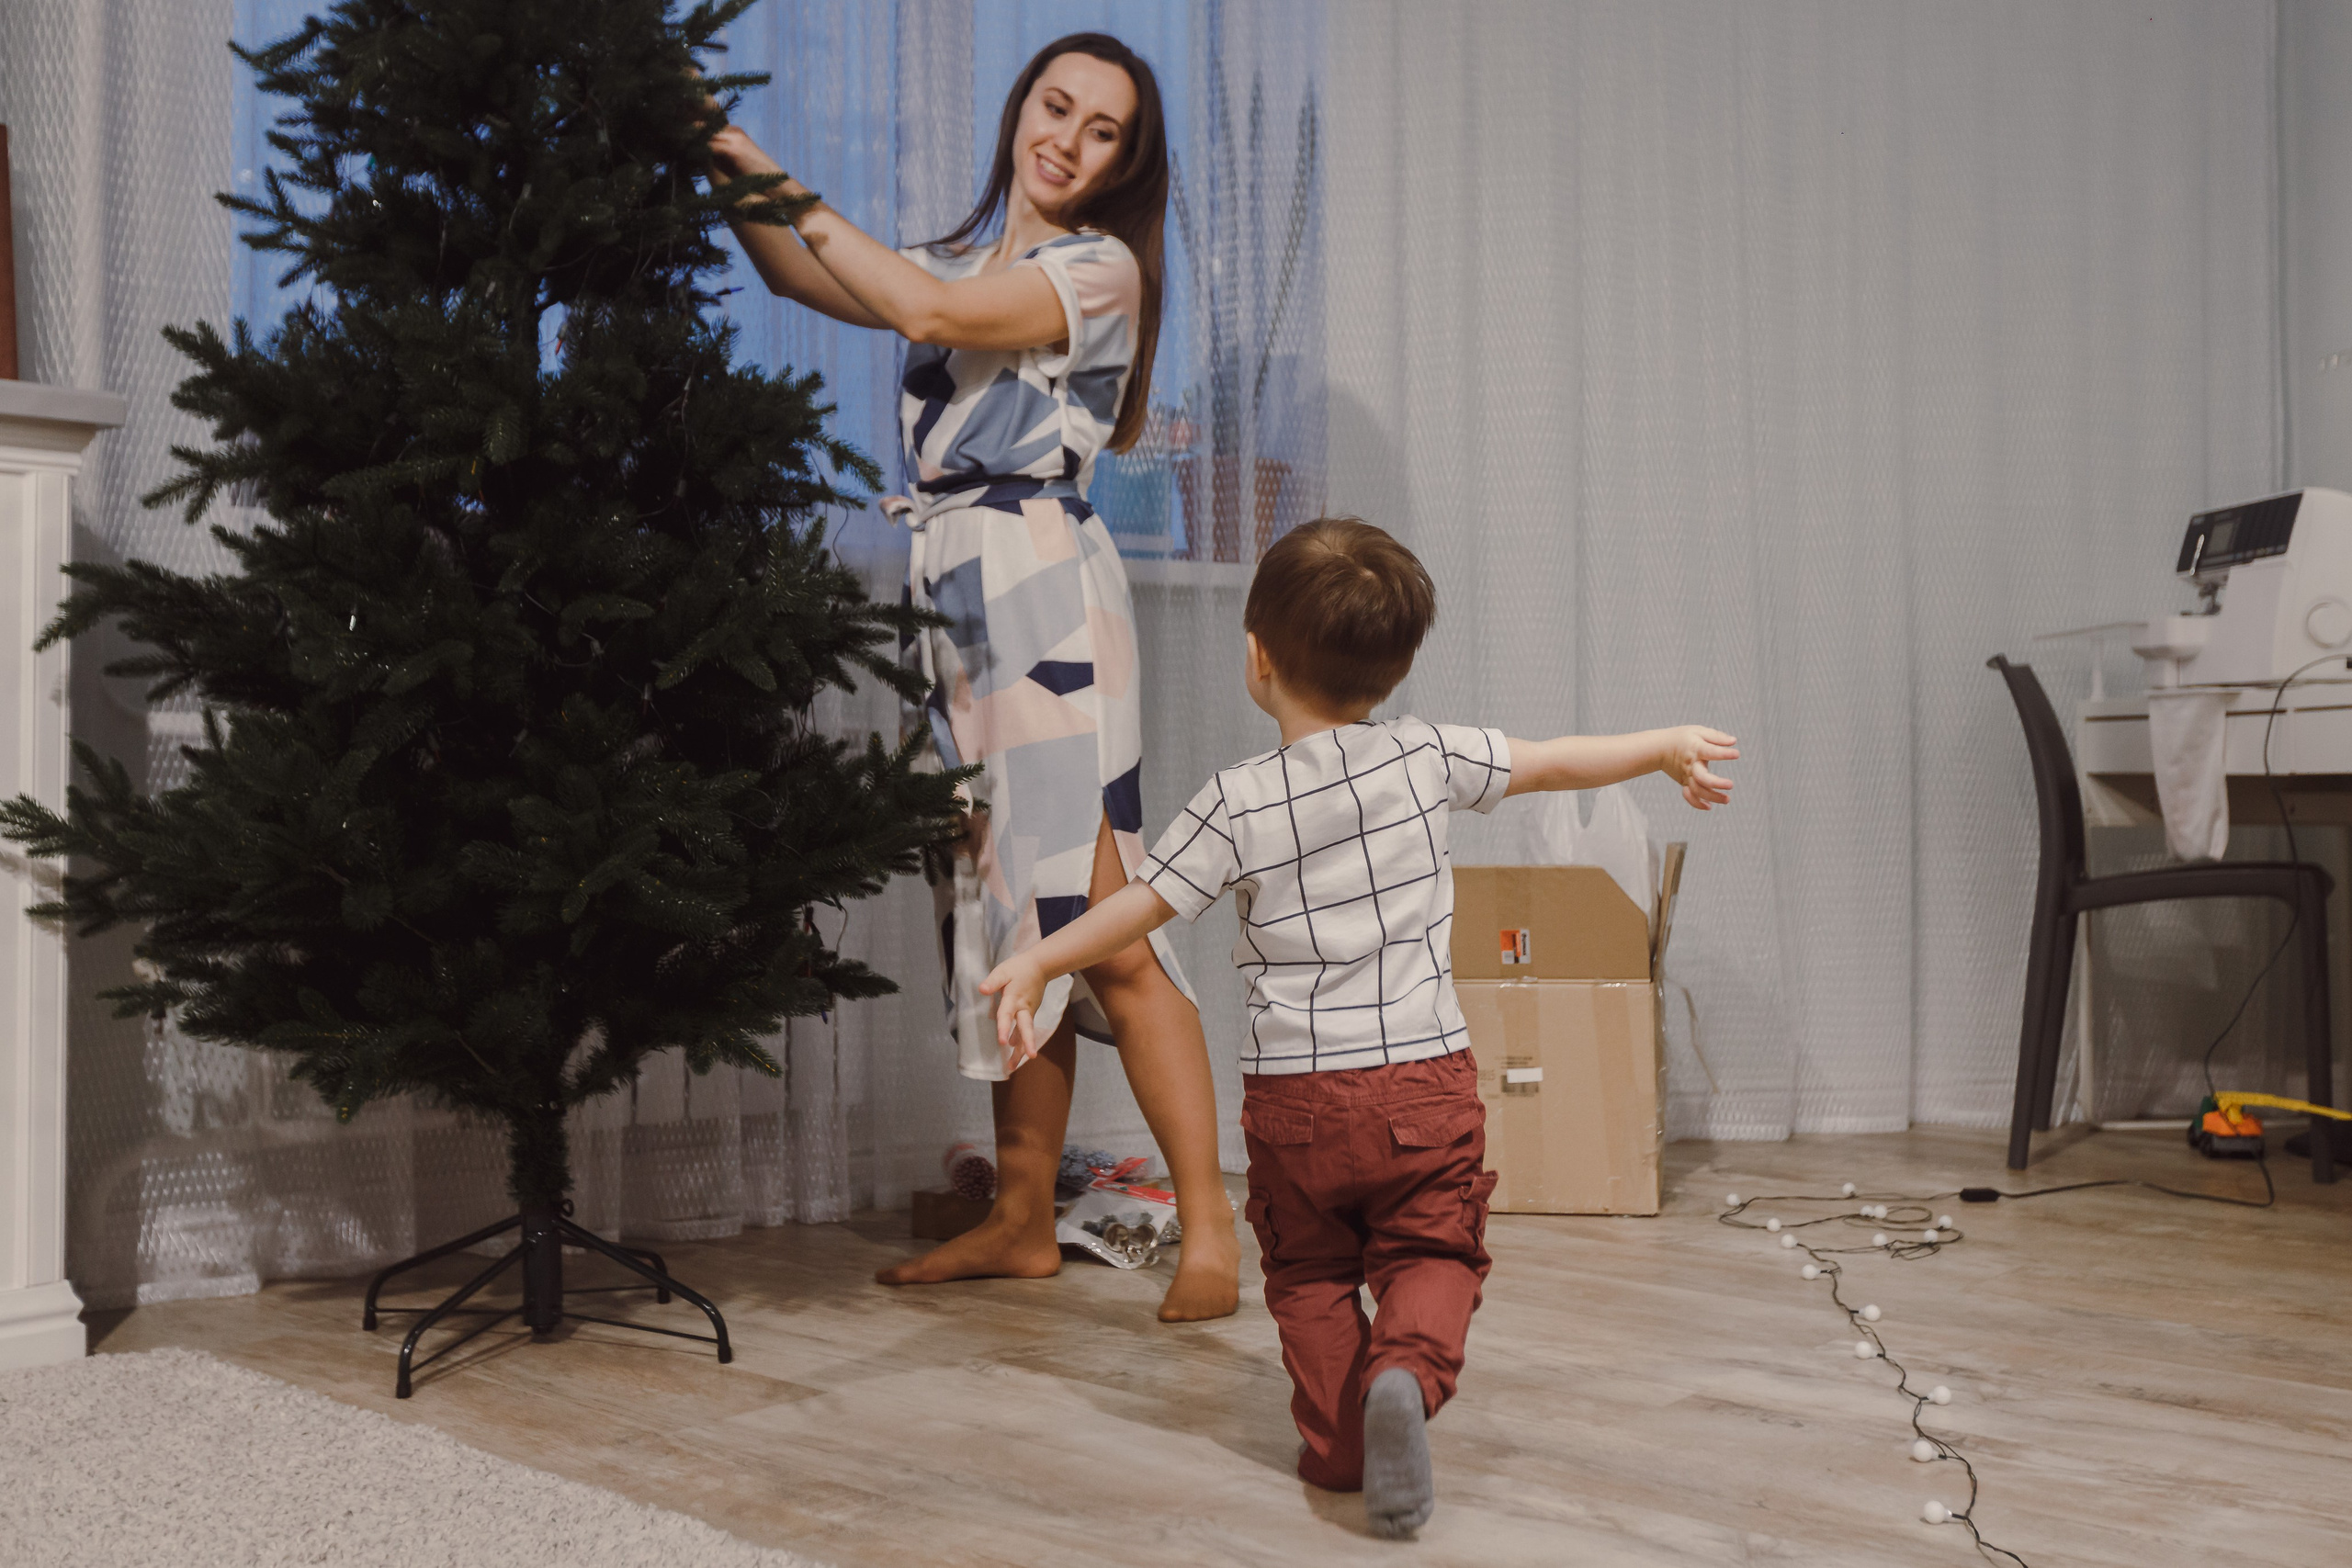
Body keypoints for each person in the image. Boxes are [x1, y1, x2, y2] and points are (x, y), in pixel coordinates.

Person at [978, 518, 1737, 1538]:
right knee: (1431, 1251)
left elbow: (1142, 907)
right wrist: (1662, 747)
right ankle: (1407, 1379)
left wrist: (1036, 957)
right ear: (1400, 665)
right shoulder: (1426, 755)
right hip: (1420, 1084)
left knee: (1309, 1274)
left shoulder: (1234, 802)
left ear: (1255, 657)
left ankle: (1340, 1443)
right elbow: (1555, 763)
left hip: (1293, 1100)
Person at [709, 34, 1241, 1322]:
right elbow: (798, 271)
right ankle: (1019, 1215)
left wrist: (743, 150)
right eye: (1054, 106)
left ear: (1128, 162)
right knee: (1004, 918)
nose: (1066, 137)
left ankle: (1214, 1228)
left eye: (1102, 127)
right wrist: (707, 159)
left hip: (1041, 584)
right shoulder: (967, 258)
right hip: (951, 593)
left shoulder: (1096, 269)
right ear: (1020, 110)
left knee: (1096, 918)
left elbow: (922, 316)